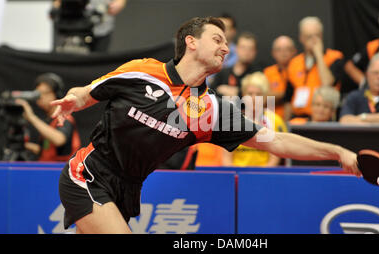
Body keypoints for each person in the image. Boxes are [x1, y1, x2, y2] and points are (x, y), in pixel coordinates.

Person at [53, 16, 360, 234]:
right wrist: (73, 100)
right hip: (89, 174)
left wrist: (336, 152)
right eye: (217, 40)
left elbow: (276, 141)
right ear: (191, 42)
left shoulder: (211, 110)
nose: (226, 48)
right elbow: (89, 93)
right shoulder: (143, 72)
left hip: (128, 188)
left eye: (227, 43)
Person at [283, 16, 345, 122]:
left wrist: (318, 54)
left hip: (324, 119)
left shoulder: (334, 57)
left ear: (321, 36)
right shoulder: (294, 62)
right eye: (308, 37)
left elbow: (327, 83)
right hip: (298, 119)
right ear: (301, 38)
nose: (313, 40)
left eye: (317, 36)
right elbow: (288, 98)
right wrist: (285, 125)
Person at [223, 72, 287, 167]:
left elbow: (274, 160)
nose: (253, 98)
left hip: (264, 176)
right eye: (250, 93)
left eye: (258, 94)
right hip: (237, 175)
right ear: (244, 95)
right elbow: (226, 160)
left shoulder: (275, 120)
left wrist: (259, 176)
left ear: (265, 97)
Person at [15, 73, 81, 161]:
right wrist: (28, 147)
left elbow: (59, 139)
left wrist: (31, 117)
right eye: (38, 94)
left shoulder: (64, 117)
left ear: (56, 94)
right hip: (46, 170)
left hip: (60, 171)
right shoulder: (48, 121)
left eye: (45, 93)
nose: (40, 97)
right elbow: (48, 151)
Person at [52, 0, 127, 52]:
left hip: (102, 25)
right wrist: (56, 6)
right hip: (72, 24)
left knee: (98, 64)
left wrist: (120, 1)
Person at [210, 31, 261, 98]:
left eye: (250, 48)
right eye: (243, 47)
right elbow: (210, 93)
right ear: (236, 49)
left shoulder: (258, 75)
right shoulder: (223, 73)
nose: (247, 52)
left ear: (255, 52)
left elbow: (259, 98)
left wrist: (237, 91)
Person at [263, 35, 297, 119]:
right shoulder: (267, 72)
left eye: (287, 49)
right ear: (273, 53)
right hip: (272, 120)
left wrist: (275, 96)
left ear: (294, 51)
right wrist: (286, 94)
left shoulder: (300, 69)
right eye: (279, 50)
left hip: (296, 118)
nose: (283, 53)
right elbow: (262, 98)